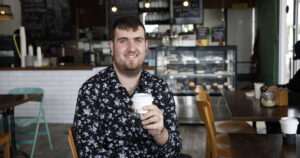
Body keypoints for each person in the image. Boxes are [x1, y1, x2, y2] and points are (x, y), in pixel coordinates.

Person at [73, 15, 182, 157]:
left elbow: (175, 150)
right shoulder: (91, 91)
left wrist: (161, 134)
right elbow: (88, 153)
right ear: (112, 47)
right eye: (123, 41)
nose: (132, 49)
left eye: (138, 40)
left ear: (145, 46)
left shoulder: (160, 88)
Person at [266, 40, 300, 134]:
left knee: (274, 120)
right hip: (295, 110)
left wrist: (280, 93)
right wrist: (278, 87)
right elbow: (292, 85)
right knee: (271, 118)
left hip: (296, 116)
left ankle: (276, 144)